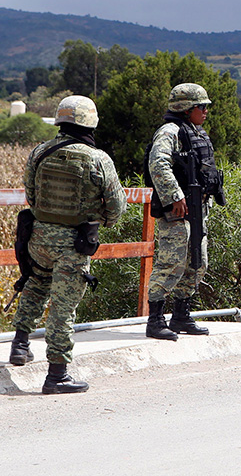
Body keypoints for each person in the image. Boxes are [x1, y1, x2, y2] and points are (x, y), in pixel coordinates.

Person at [8, 95, 126, 394]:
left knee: (34, 286)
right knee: (63, 307)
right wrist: (103, 221)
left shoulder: (40, 151)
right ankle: (57, 375)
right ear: (90, 121)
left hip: (38, 238)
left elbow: (31, 195)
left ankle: (20, 346)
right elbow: (117, 206)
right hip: (73, 244)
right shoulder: (98, 158)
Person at [145, 83, 224, 340]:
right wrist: (175, 195)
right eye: (201, 106)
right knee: (171, 263)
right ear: (186, 108)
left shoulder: (194, 132)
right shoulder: (170, 131)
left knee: (197, 263)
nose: (205, 111)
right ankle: (155, 320)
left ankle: (181, 315)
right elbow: (158, 164)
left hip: (198, 208)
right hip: (177, 210)